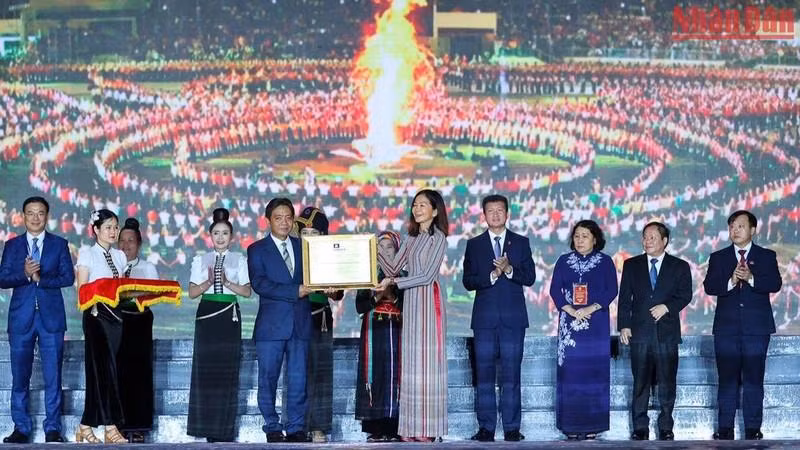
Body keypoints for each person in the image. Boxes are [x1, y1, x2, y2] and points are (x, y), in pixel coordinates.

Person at [374, 189, 449, 442]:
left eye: (423, 205)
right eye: (415, 205)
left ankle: (428, 429)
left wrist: (393, 282)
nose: (417, 209)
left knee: (428, 365)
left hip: (429, 301)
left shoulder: (439, 238)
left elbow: (427, 276)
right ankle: (411, 428)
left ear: (435, 210)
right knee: (412, 364)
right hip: (412, 301)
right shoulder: (410, 238)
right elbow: (393, 267)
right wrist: (373, 250)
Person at [703, 210, 782, 441]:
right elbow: (709, 286)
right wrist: (731, 280)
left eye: (740, 226)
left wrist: (750, 278)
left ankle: (753, 429)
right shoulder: (718, 257)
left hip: (757, 329)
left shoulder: (766, 256)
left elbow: (775, 283)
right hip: (726, 330)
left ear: (753, 230)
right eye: (731, 227)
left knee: (754, 380)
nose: (735, 230)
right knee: (727, 379)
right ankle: (725, 428)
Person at [0, 196, 74, 443]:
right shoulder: (12, 246)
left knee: (54, 376)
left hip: (51, 319)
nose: (35, 217)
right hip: (21, 320)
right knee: (20, 377)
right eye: (30, 213)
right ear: (23, 216)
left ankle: (52, 428)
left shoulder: (59, 244)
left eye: (40, 213)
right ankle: (21, 428)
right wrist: (24, 274)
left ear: (47, 216)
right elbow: (2, 279)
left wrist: (41, 279)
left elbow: (68, 278)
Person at [462, 194, 535, 442]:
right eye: (490, 211)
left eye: (499, 210)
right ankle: (486, 427)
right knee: (484, 376)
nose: (495, 214)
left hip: (513, 319)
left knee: (512, 375)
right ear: (484, 215)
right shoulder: (474, 245)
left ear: (507, 213)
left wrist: (509, 269)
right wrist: (492, 275)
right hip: (484, 319)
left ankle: (512, 428)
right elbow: (468, 281)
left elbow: (530, 277)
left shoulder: (521, 242)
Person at [617, 221, 692, 441]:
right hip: (639, 333)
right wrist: (624, 325)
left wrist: (667, 307)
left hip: (666, 333)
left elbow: (685, 295)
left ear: (664, 241)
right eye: (645, 237)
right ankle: (640, 427)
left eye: (652, 237)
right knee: (640, 383)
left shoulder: (679, 266)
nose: (647, 241)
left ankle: (666, 426)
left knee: (667, 382)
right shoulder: (632, 265)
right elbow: (625, 298)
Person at [247, 198, 312, 443]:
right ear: (268, 221)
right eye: (278, 218)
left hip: (300, 324)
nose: (284, 222)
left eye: (288, 218)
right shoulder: (256, 249)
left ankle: (295, 427)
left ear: (293, 220)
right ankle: (272, 426)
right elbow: (260, 284)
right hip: (271, 327)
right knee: (268, 378)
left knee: (298, 380)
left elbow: (318, 276)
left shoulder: (305, 247)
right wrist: (296, 291)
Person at [549, 219, 618, 441]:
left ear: (595, 239)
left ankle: (592, 425)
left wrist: (590, 308)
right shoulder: (563, 261)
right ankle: (570, 425)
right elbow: (555, 290)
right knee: (570, 374)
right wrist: (571, 310)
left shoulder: (605, 262)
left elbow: (611, 290)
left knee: (593, 372)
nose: (580, 240)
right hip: (569, 325)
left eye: (585, 236)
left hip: (596, 323)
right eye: (577, 236)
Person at [186, 208, 251, 443]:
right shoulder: (200, 259)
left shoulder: (240, 260)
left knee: (226, 371)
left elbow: (247, 291)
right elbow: (192, 292)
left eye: (225, 233)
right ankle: (204, 427)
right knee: (206, 372)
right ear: (210, 236)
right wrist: (209, 282)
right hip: (207, 315)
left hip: (228, 316)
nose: (220, 237)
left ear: (231, 237)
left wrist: (227, 282)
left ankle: (223, 429)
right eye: (216, 233)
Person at [74, 209, 128, 444]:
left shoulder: (120, 256)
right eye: (108, 227)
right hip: (96, 316)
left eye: (115, 227)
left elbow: (121, 289)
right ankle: (110, 426)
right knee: (106, 372)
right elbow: (82, 289)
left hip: (116, 317)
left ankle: (85, 425)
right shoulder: (87, 254)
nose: (113, 231)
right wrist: (95, 301)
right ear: (95, 230)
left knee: (101, 373)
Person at [294, 206, 344, 443]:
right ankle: (296, 425)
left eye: (313, 233)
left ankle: (318, 427)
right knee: (297, 373)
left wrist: (332, 291)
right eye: (304, 233)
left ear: (323, 235)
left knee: (320, 375)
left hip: (319, 319)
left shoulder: (332, 257)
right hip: (295, 317)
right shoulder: (291, 256)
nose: (309, 237)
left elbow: (338, 294)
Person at [354, 231, 405, 442]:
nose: (384, 251)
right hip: (373, 330)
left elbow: (409, 305)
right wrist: (378, 297)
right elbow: (360, 306)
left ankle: (395, 428)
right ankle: (375, 428)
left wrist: (393, 294)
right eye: (379, 248)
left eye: (389, 247)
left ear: (398, 250)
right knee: (374, 376)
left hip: (399, 329)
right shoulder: (367, 275)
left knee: (396, 376)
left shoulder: (405, 276)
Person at [116, 218, 159, 443]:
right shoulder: (111, 266)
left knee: (140, 375)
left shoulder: (147, 267)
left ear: (139, 244)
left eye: (130, 241)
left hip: (140, 322)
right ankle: (119, 425)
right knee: (118, 373)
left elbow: (154, 293)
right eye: (122, 240)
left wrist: (131, 294)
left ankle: (139, 426)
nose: (125, 245)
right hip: (116, 322)